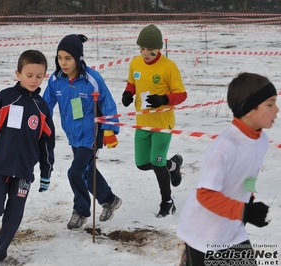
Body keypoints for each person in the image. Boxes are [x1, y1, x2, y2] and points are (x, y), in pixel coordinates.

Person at [177, 72, 278, 265]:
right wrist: (245, 211)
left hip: (232, 230)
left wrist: (250, 200)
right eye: (270, 104)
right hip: (204, 234)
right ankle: (189, 257)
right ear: (249, 109)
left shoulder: (261, 140)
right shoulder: (225, 147)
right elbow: (205, 195)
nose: (277, 110)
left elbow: (248, 176)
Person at [0, 50, 55, 263]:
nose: (34, 80)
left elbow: (47, 142)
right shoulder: (5, 97)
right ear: (18, 73)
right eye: (29, 75)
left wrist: (46, 172)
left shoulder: (42, 107)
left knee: (15, 214)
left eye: (39, 76)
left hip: (24, 172)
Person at [43, 34, 122, 230]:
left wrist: (110, 130)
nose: (63, 62)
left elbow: (108, 103)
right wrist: (37, 124)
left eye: (68, 58)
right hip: (73, 134)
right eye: (60, 57)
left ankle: (81, 210)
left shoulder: (92, 79)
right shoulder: (55, 80)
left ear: (78, 58)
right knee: (87, 171)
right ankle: (110, 199)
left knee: (75, 172)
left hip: (91, 135)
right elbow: (45, 105)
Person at [121, 24, 187, 217]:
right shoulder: (135, 63)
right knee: (142, 163)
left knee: (157, 163)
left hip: (162, 123)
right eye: (142, 49)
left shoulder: (168, 67)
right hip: (142, 121)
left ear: (159, 48)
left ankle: (167, 201)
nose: (145, 54)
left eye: (150, 50)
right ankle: (173, 165)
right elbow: (132, 82)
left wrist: (164, 99)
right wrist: (127, 93)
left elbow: (182, 94)